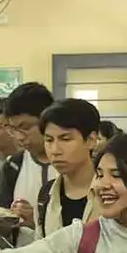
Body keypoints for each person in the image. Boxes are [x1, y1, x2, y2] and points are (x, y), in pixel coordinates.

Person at [0, 82, 57, 244]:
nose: (19, 137)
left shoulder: (71, 165)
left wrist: (35, 222)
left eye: (25, 127)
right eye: (13, 129)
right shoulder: (14, 165)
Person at [31, 98, 101, 237]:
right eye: (49, 140)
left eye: (66, 139)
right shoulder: (46, 196)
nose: (55, 150)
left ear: (91, 140)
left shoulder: (112, 192)